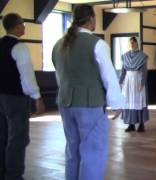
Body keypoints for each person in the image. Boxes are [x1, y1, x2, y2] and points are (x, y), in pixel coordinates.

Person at [52, 4, 124, 180]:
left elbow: (60, 76)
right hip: (90, 104)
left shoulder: (59, 45)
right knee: (93, 152)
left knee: (72, 150)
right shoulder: (97, 44)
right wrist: (117, 103)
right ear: (91, 19)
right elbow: (109, 75)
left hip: (65, 102)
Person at [0, 13, 45, 180]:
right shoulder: (19, 47)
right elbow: (27, 76)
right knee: (18, 138)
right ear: (17, 26)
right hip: (15, 99)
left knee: (2, 136)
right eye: (23, 24)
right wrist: (37, 97)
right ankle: (14, 175)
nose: (25, 27)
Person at [119, 37, 149, 132]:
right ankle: (131, 124)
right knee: (128, 101)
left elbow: (144, 72)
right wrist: (120, 81)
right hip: (128, 81)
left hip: (137, 80)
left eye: (134, 42)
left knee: (138, 101)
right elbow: (123, 70)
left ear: (137, 44)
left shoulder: (142, 56)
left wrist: (142, 83)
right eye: (131, 42)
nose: (132, 44)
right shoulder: (125, 56)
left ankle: (141, 124)